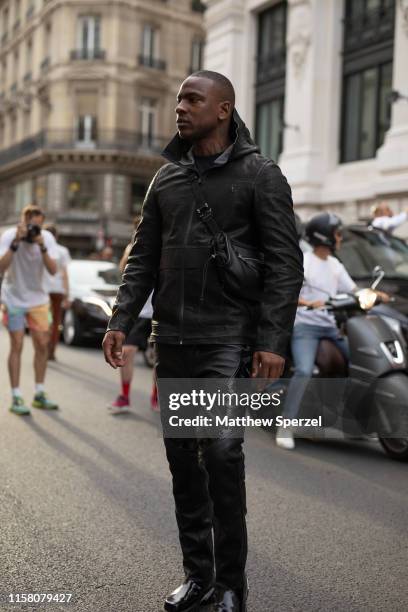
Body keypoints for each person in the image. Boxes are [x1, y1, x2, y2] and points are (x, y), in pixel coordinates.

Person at [103, 71, 303, 612]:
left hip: (229, 339)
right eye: (178, 100)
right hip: (174, 340)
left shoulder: (262, 175)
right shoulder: (164, 179)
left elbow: (285, 265)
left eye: (193, 99)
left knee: (219, 448)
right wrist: (122, 318)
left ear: (223, 110)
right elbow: (142, 257)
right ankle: (198, 576)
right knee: (183, 462)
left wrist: (273, 340)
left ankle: (232, 583)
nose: (180, 108)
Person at [276, 212, 388, 451]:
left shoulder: (335, 265)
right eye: (337, 233)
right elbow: (285, 293)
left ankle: (357, 423)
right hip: (305, 327)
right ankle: (286, 424)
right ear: (324, 236)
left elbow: (353, 290)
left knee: (362, 363)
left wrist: (374, 295)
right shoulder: (303, 261)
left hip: (330, 327)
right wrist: (307, 303)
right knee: (304, 370)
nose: (340, 238)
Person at [0, 204, 59, 415]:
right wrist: (16, 242)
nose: (35, 229)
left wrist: (42, 246)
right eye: (31, 225)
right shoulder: (9, 235)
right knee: (16, 343)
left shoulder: (47, 239)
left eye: (39, 225)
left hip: (39, 300)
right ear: (24, 222)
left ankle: (39, 393)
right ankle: (16, 396)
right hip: (13, 298)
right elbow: (1, 266)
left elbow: (53, 270)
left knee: (42, 345)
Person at [108, 226, 156, 415]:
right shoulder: (136, 247)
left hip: (161, 310)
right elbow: (124, 271)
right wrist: (132, 249)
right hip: (139, 311)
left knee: (161, 359)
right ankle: (125, 396)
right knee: (127, 351)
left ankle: (157, 396)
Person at [43, 224, 71, 361]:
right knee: (55, 322)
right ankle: (51, 350)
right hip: (58, 290)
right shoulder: (62, 250)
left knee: (44, 320)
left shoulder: (41, 249)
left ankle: (43, 347)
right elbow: (65, 274)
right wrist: (67, 294)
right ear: (56, 236)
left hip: (43, 290)